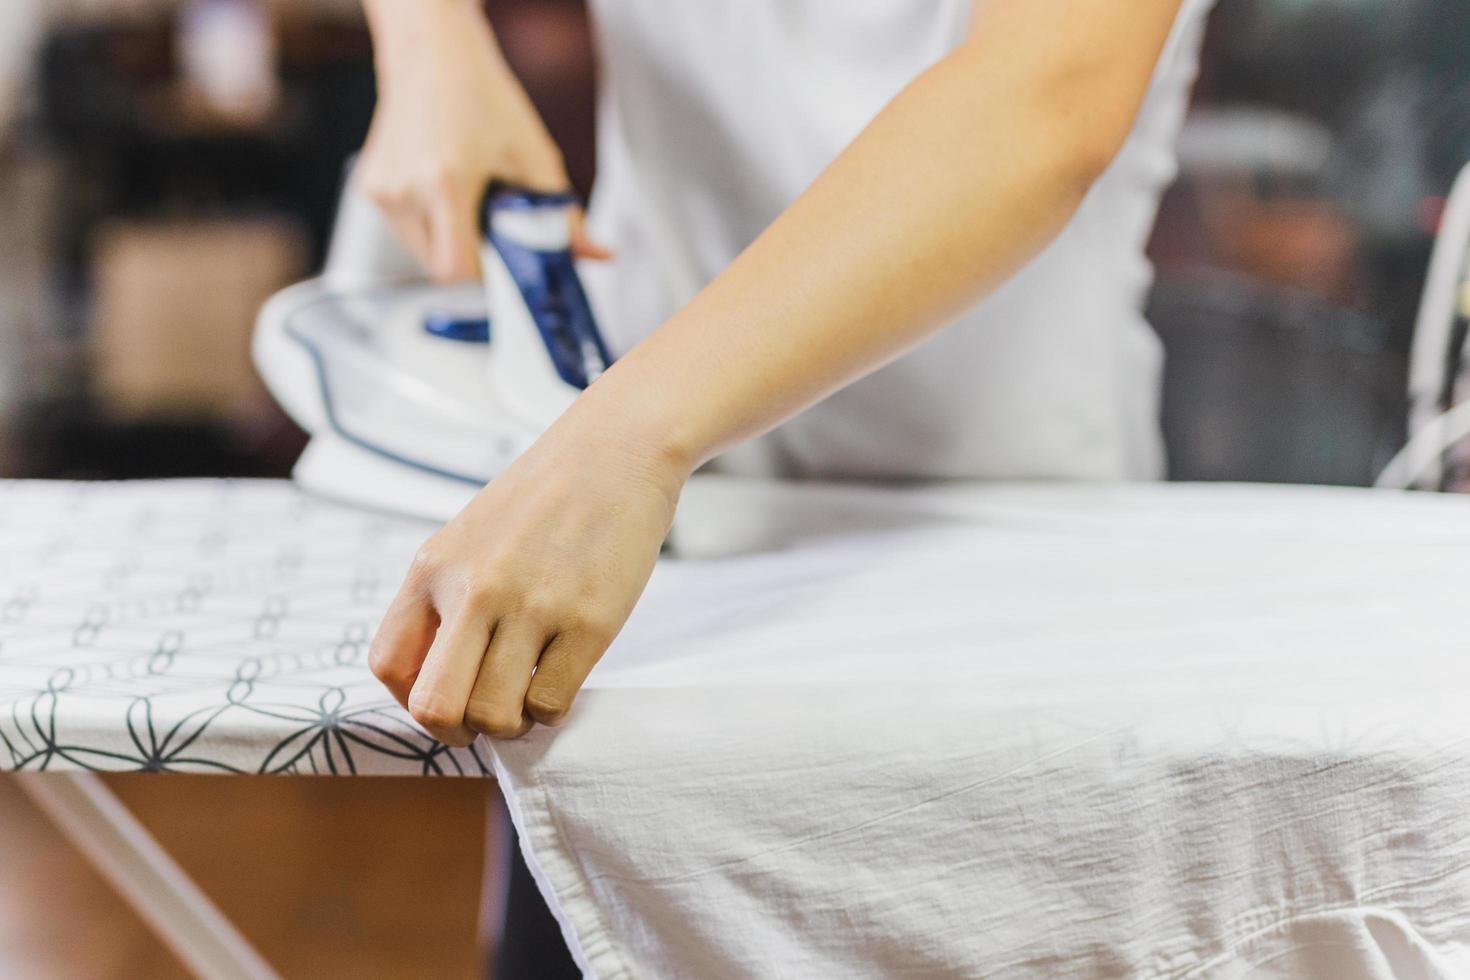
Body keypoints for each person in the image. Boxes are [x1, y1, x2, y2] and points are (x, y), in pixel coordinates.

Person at [359, 0, 1210, 973]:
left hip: (990, 541)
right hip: (642, 572)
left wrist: (627, 437)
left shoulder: (623, 447)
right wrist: (429, 44)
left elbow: (1047, 96)